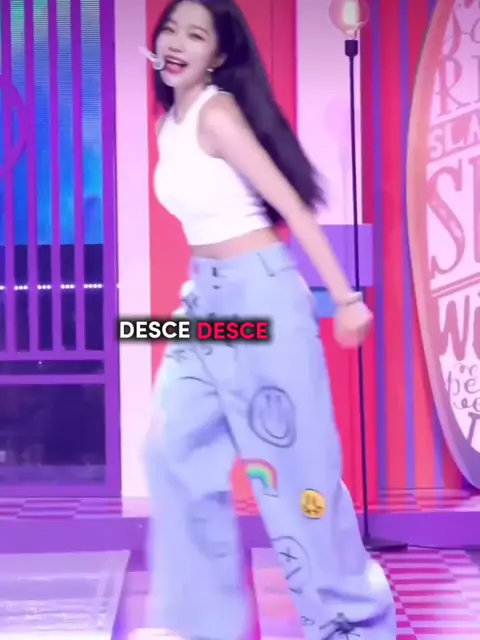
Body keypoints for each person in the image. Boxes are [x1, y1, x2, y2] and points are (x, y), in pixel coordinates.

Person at [141, 1, 396, 638]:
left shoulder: (217, 113)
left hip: (261, 298)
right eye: (170, 29)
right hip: (205, 304)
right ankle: (203, 624)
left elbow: (291, 205)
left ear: (218, 55)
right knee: (170, 452)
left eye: (195, 35)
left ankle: (350, 624)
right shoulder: (169, 124)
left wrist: (346, 298)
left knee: (297, 478)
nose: (176, 43)